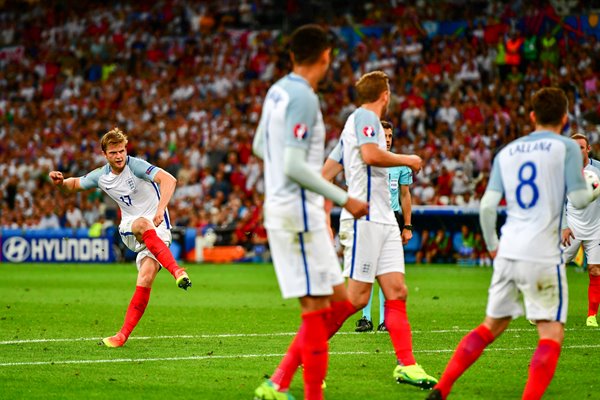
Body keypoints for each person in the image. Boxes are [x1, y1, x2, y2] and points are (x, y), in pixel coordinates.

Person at [426, 87, 599, 400]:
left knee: (491, 325)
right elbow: (578, 198)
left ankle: (443, 387)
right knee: (551, 333)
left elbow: (488, 207)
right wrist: (596, 190)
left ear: (532, 116)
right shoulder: (568, 149)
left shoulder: (507, 152)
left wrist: (493, 246)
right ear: (563, 118)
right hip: (543, 254)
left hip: (508, 248)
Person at [251, 24, 369, 400]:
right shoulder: (303, 96)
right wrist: (344, 198)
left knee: (338, 299)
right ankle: (302, 391)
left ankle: (279, 382)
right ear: (325, 57)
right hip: (297, 212)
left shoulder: (276, 91)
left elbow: (258, 145)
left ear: (291, 57)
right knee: (317, 310)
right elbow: (292, 164)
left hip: (286, 208)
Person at [323, 70, 436, 389]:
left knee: (397, 291)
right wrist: (409, 158)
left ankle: (407, 365)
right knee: (357, 298)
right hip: (366, 221)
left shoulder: (354, 126)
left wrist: (328, 210)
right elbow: (371, 156)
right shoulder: (364, 118)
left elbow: (326, 173)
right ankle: (310, 343)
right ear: (385, 95)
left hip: (385, 220)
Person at [48, 128, 191, 348]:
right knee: (142, 224)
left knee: (145, 277)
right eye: (114, 152)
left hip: (158, 228)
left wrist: (160, 210)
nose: (119, 156)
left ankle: (121, 336)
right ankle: (177, 270)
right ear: (105, 154)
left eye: (122, 151)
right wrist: (61, 182)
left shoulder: (136, 165)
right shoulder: (101, 176)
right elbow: (75, 184)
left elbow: (169, 180)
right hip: (130, 226)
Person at [354, 120, 414, 333]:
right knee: (368, 269)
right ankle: (366, 318)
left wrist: (407, 225)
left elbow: (405, 195)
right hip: (369, 219)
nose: (387, 141)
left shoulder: (400, 163)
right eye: (384, 136)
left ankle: (384, 320)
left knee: (387, 270)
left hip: (392, 219)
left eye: (390, 137)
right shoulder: (365, 161)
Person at [561, 133, 600, 328]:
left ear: (588, 149)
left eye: (581, 147)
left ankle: (591, 315)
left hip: (596, 227)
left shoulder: (598, 169)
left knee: (595, 270)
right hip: (572, 227)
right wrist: (564, 226)